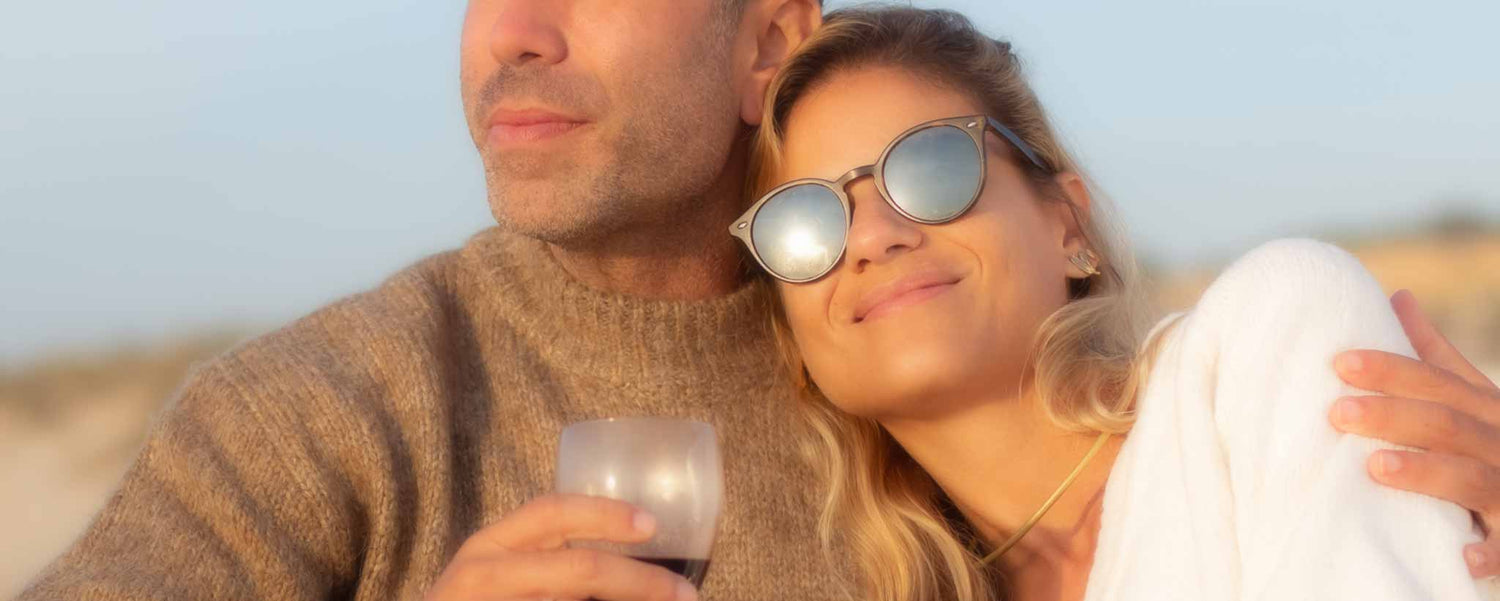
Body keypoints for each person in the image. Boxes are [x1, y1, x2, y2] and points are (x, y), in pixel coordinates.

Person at [15, 1, 1500, 600]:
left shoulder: (1219, 385)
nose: (510, 36)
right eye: (806, 217)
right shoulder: (317, 416)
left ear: (764, 38)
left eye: (924, 169)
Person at [736, 6, 1500, 601]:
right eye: (802, 223)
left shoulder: (1266, 347)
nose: (871, 236)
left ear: (1070, 226)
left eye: (934, 166)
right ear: (796, 338)